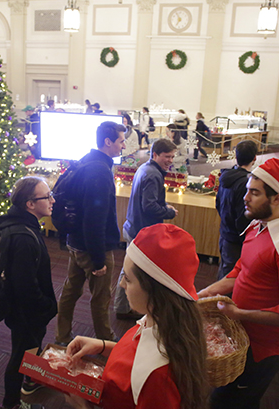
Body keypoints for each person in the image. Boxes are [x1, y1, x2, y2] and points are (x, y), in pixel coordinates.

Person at [198, 158, 279, 409]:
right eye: (248, 190)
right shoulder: (257, 226)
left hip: (264, 350)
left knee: (229, 402)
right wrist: (207, 291)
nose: (245, 198)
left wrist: (238, 313)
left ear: (276, 199)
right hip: (239, 337)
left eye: (254, 192)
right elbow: (240, 271)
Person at [68, 224, 208, 409]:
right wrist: (103, 346)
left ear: (155, 292)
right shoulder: (158, 320)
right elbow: (139, 352)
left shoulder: (158, 377)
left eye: (128, 278)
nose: (121, 285)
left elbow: (145, 365)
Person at [55, 121, 126, 345]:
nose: (123, 146)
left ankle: (62, 336)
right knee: (101, 296)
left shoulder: (86, 161)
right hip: (93, 247)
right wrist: (97, 260)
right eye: (121, 141)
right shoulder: (100, 172)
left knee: (70, 291)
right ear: (108, 142)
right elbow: (95, 219)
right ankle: (105, 340)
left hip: (75, 242)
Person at [0, 177, 58, 409]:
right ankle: (11, 403)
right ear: (30, 204)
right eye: (46, 196)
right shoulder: (23, 237)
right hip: (26, 313)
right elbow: (25, 286)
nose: (52, 200)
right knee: (19, 357)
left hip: (27, 311)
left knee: (30, 348)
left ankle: (31, 381)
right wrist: (45, 307)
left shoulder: (24, 226)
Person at [115, 138, 179, 319]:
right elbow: (149, 206)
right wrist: (168, 212)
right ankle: (122, 308)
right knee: (132, 272)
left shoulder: (146, 168)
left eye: (172, 157)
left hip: (134, 226)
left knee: (129, 269)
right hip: (141, 231)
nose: (170, 160)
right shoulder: (153, 174)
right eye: (167, 156)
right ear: (155, 154)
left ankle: (123, 307)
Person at [215, 140, 258, 280]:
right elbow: (243, 215)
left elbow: (218, 203)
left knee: (225, 270)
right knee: (230, 277)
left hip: (226, 231)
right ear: (254, 158)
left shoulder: (226, 176)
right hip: (236, 237)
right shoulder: (246, 183)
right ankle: (218, 301)